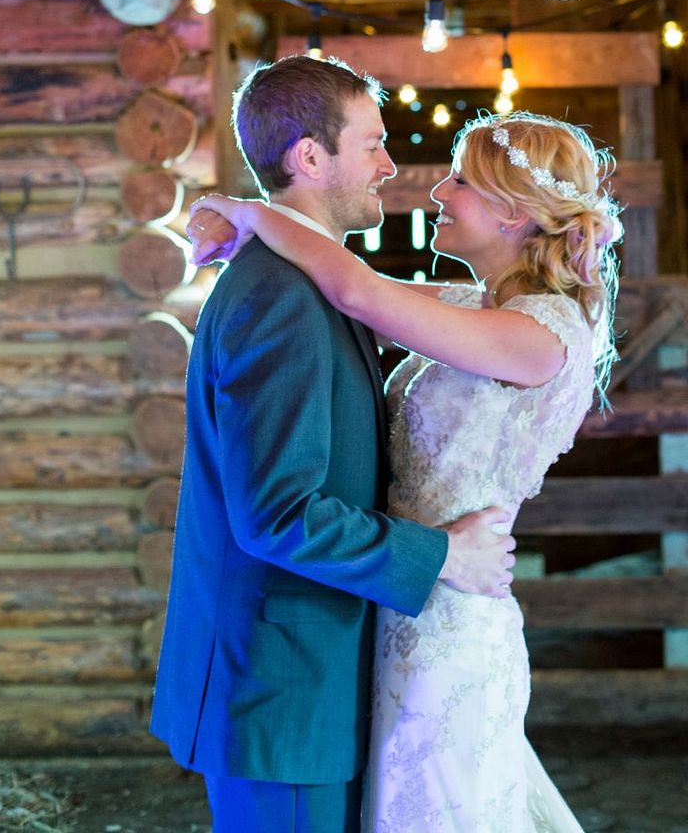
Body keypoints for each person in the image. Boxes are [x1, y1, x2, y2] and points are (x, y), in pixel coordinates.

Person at [188, 106, 621, 832]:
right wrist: (254, 241)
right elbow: (347, 293)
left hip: (448, 618)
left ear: (515, 214)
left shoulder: (538, 337)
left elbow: (357, 291)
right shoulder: (479, 307)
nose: (436, 193)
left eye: (458, 181)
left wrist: (248, 211)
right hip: (404, 596)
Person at [150, 55, 516, 833]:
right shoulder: (280, 296)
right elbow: (278, 515)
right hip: (282, 689)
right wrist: (443, 555)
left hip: (309, 674)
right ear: (310, 158)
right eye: (373, 144)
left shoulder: (311, 275)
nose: (390, 165)